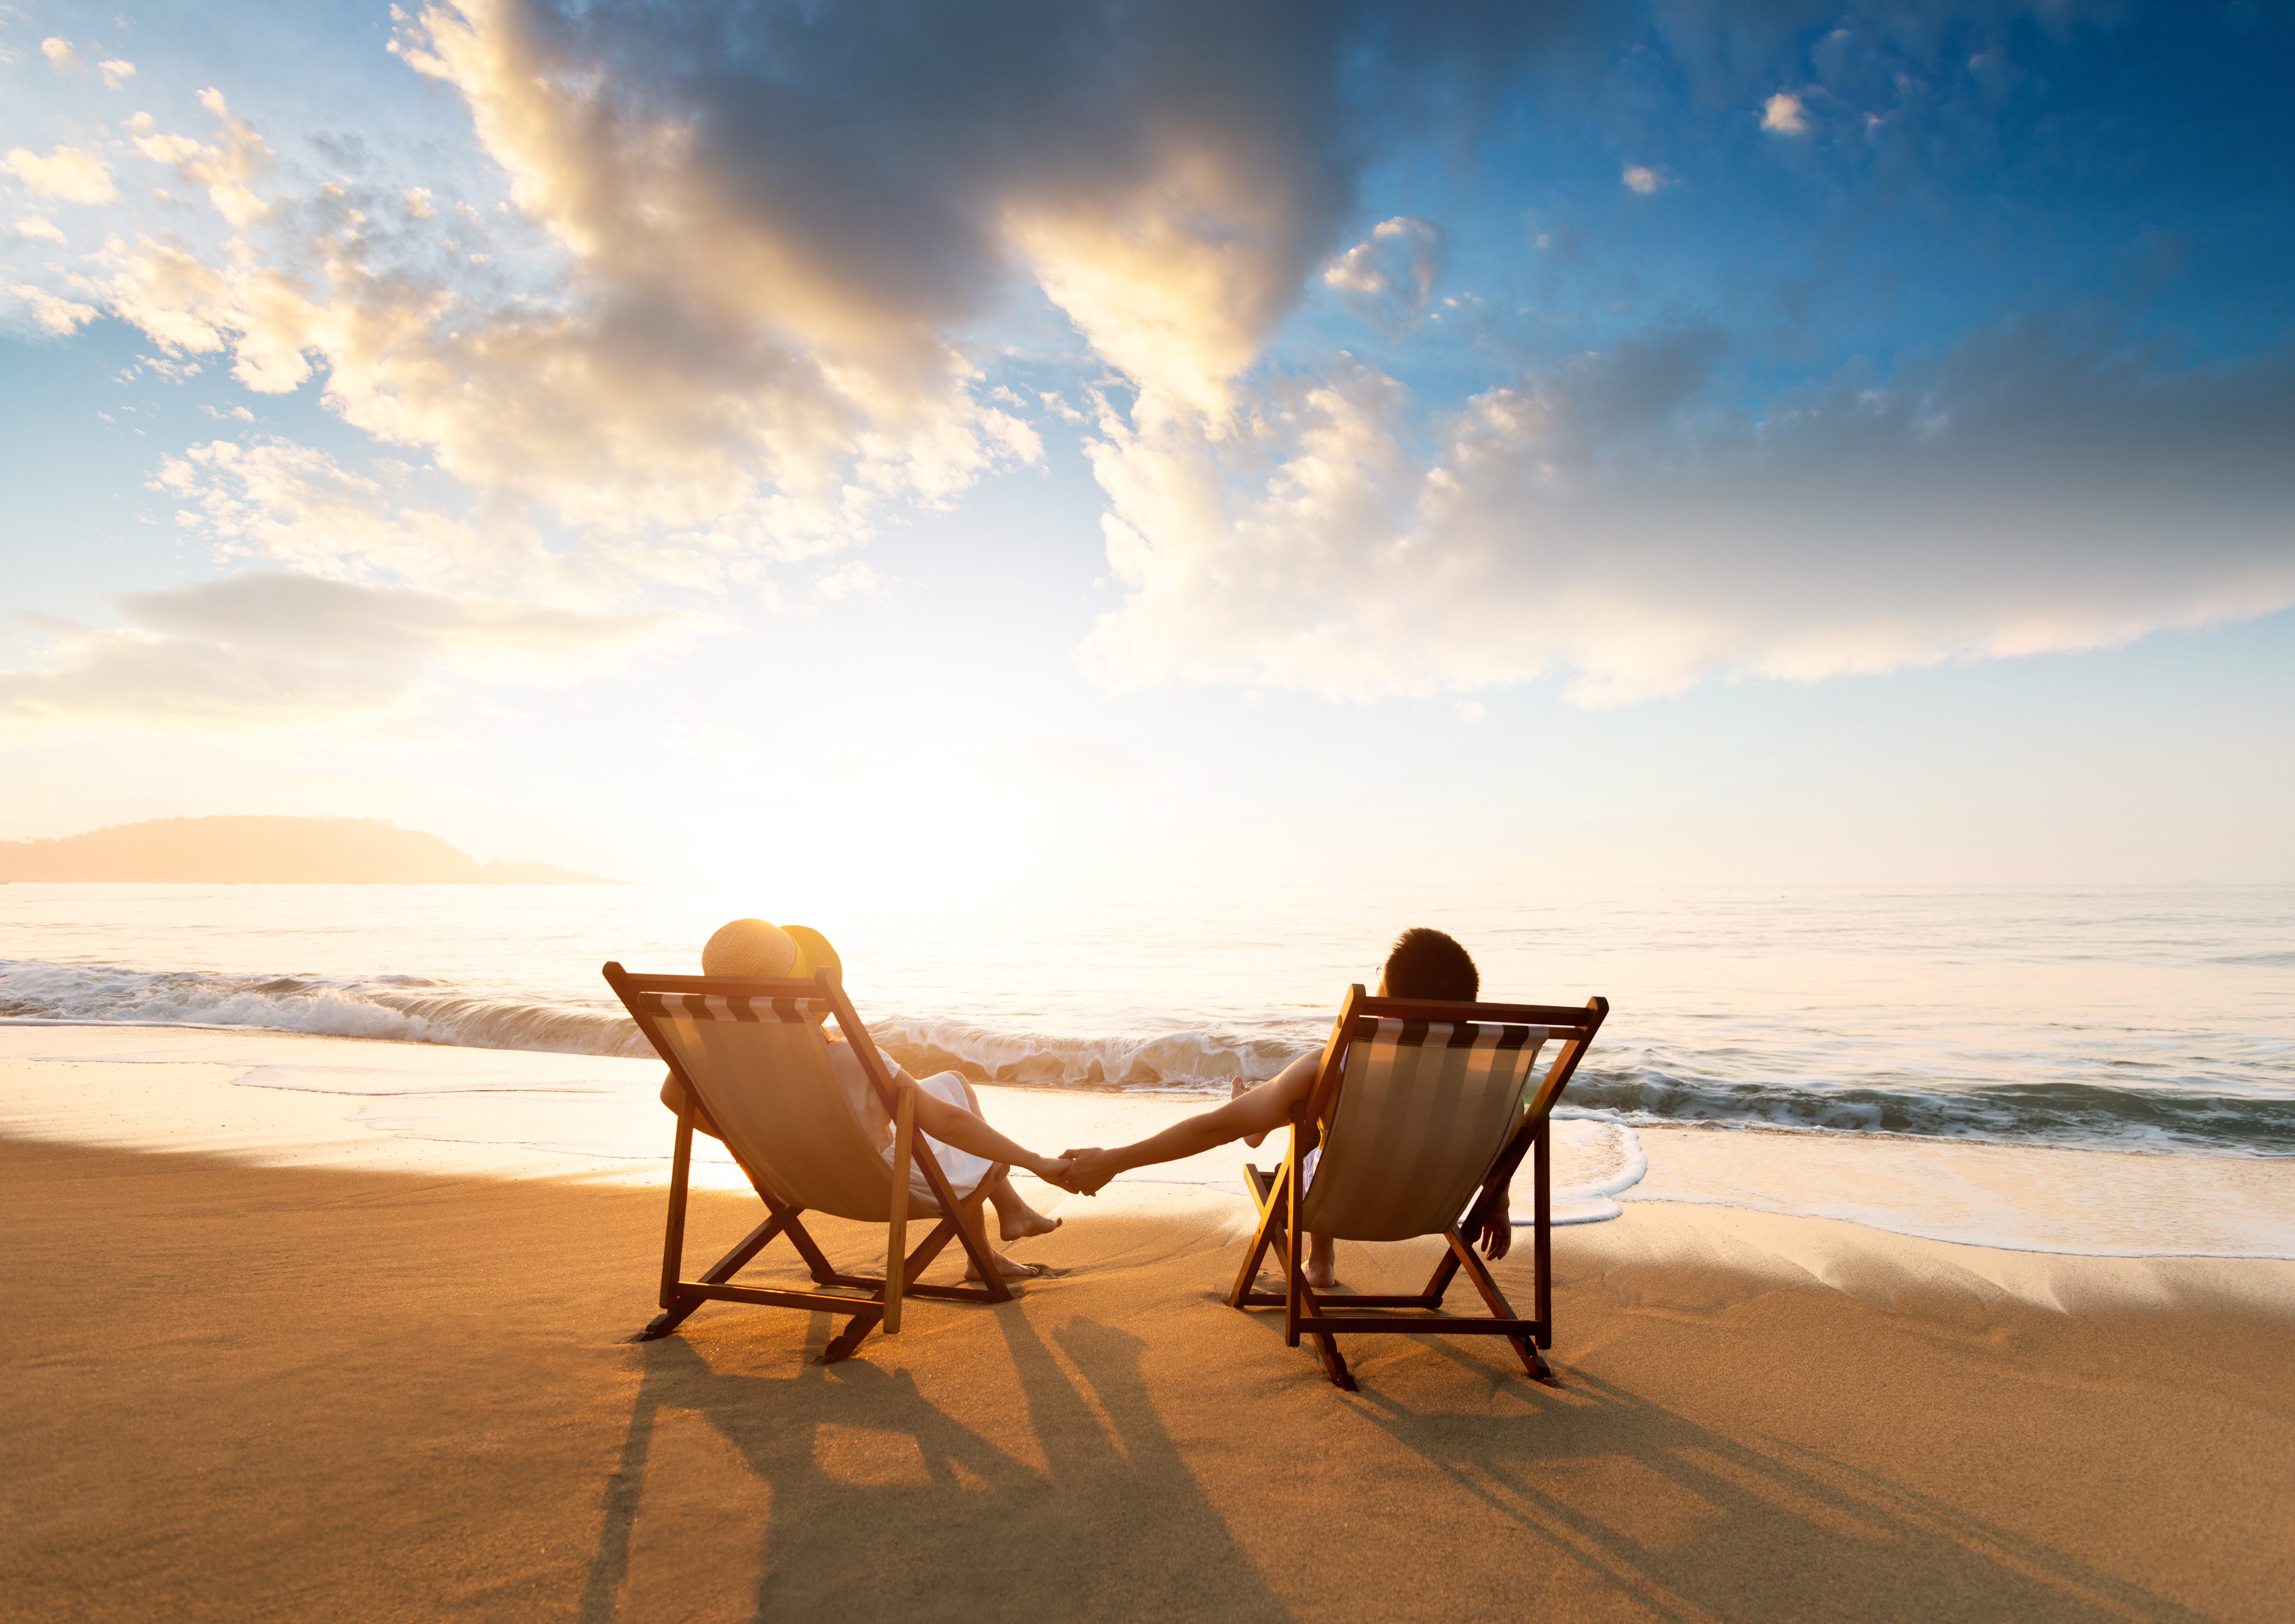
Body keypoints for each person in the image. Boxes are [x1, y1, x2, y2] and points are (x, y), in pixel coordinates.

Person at [1057, 928, 1511, 1288]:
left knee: (1313, 1116)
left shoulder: (1334, 1067)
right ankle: (1264, 1122)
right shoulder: (1496, 1081)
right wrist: (1498, 1203)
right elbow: (1505, 1143)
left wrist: (1115, 1160)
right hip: (1433, 1211)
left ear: (1388, 1006)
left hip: (1337, 1202)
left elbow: (1214, 1129)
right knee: (1323, 1120)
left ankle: (1265, 1134)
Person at [658, 918, 1069, 1281]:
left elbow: (672, 1097)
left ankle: (1002, 1229)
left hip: (796, 1179)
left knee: (948, 1084)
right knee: (953, 1105)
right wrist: (1037, 1162)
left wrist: (758, 1142)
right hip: (882, 1185)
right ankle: (996, 1235)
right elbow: (948, 1126)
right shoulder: (849, 1059)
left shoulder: (707, 1059)